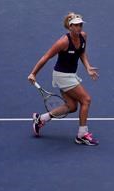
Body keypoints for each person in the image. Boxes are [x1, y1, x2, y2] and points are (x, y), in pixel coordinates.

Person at [28, 12, 100, 146]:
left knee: (72, 107)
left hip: (71, 75)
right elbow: (46, 57)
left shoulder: (83, 36)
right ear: (70, 26)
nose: (79, 27)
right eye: (76, 25)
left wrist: (88, 67)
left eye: (80, 25)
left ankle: (40, 119)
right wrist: (33, 73)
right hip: (62, 76)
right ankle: (82, 135)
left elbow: (82, 53)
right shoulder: (63, 42)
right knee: (86, 100)